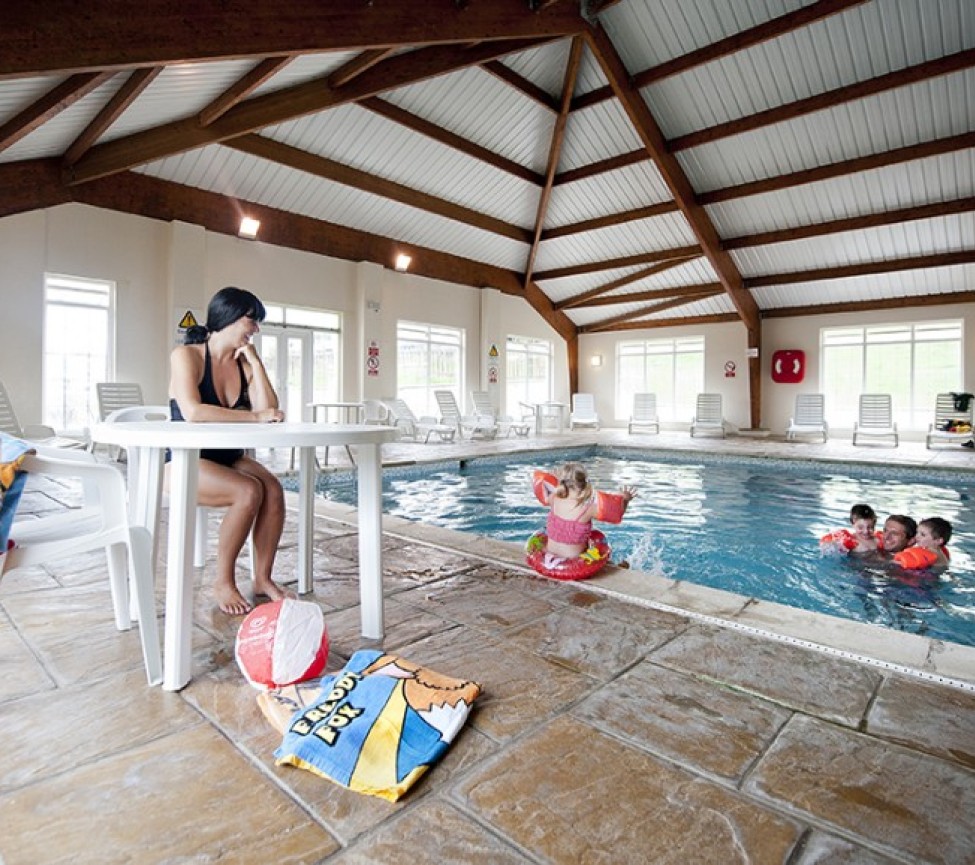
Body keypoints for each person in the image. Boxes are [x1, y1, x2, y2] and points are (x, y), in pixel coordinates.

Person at [169, 286, 289, 615]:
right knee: (248, 491)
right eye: (253, 321)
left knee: (274, 490)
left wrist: (254, 360)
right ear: (230, 317)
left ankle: (263, 578)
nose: (256, 329)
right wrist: (255, 417)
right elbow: (194, 412)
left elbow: (271, 410)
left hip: (228, 458)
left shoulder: (243, 363)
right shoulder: (187, 356)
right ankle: (223, 580)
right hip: (186, 461)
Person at [542, 462, 636, 559]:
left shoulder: (553, 498)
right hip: (574, 562)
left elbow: (553, 491)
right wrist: (625, 500)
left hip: (549, 555)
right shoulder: (588, 508)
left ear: (563, 483)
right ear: (583, 483)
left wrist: (557, 479)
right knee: (605, 557)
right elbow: (617, 513)